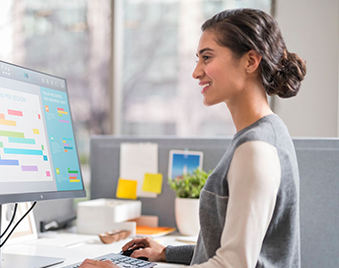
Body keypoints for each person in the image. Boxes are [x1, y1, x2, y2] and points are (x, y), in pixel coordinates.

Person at [80, 8, 306, 268]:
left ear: (250, 61)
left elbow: (233, 264)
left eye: (207, 58)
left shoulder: (256, 147)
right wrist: (167, 253)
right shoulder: (267, 133)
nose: (196, 72)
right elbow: (238, 249)